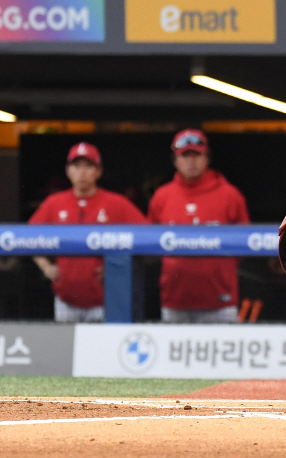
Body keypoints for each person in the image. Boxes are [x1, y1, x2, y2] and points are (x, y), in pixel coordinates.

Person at [28, 142, 147, 323]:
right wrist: (45, 265)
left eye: (88, 166)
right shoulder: (55, 203)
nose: (82, 172)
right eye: (77, 166)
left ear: (98, 171)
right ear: (68, 171)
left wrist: (118, 267)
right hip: (65, 300)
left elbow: (148, 237)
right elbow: (27, 237)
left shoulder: (116, 203)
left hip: (104, 301)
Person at [148, 129, 249, 324]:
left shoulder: (229, 195)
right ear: (175, 160)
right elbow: (148, 245)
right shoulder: (162, 196)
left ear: (207, 158)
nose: (191, 161)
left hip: (220, 302)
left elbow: (247, 246)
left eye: (197, 155)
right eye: (185, 156)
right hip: (175, 300)